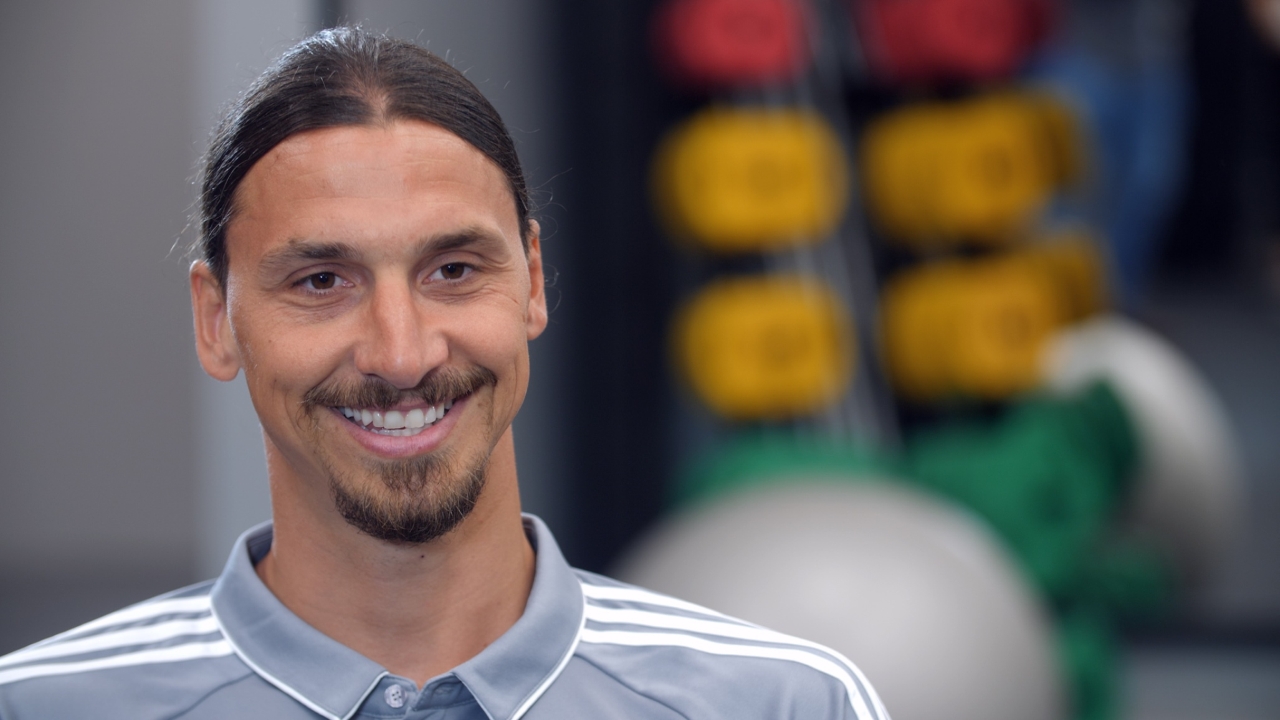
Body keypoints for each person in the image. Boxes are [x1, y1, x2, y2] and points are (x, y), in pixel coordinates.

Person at [0, 27, 888, 720]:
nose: (403, 354)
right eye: (321, 282)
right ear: (214, 321)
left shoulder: (785, 704)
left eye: (454, 270)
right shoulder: (40, 707)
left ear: (533, 281)